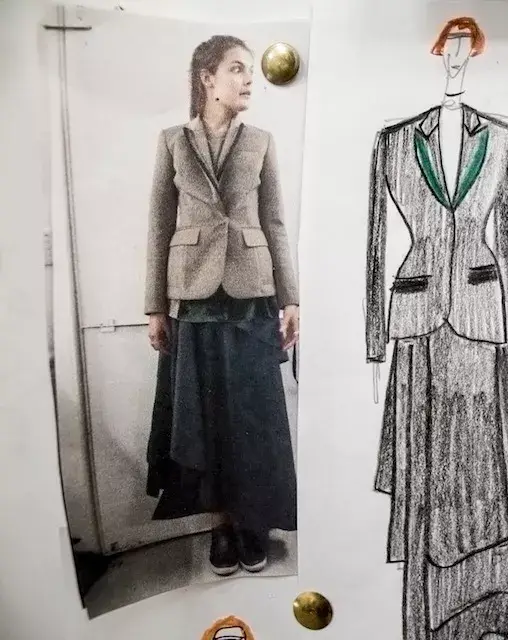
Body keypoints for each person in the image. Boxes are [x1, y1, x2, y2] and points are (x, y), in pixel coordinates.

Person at [366, 17, 508, 639]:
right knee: (428, 465)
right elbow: (376, 243)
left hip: (478, 315)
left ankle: (487, 607)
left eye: (470, 44)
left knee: (481, 464)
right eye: (451, 44)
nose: (459, 55)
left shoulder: (501, 139)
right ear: (437, 50)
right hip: (417, 318)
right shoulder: (392, 141)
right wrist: (374, 338)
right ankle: (432, 616)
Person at [143, 35, 299, 577]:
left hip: (252, 297)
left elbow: (275, 222)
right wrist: (154, 307)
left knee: (252, 419)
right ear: (207, 78)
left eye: (250, 70)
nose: (248, 79)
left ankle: (253, 524)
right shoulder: (171, 141)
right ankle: (221, 528)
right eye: (236, 69)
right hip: (193, 298)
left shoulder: (261, 141)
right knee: (203, 422)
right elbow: (159, 225)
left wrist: (291, 299)